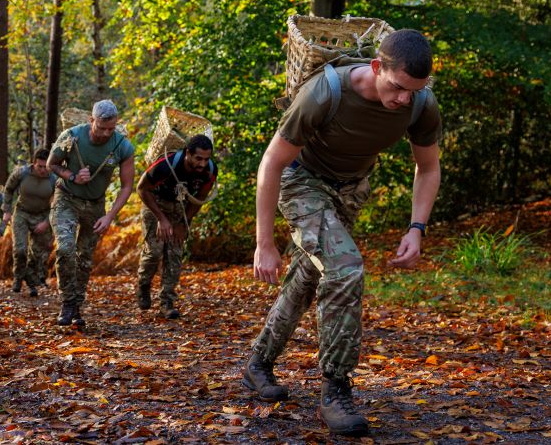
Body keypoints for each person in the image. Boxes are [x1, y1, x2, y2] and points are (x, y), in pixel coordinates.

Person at [245, 29, 442, 437]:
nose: (404, 99)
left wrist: (416, 228)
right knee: (346, 267)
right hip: (302, 182)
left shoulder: (421, 103)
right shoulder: (326, 91)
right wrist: (264, 243)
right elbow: (271, 163)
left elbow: (428, 167)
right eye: (398, 87)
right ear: (376, 68)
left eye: (415, 91)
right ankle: (335, 389)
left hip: (350, 190)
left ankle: (258, 364)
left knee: (309, 277)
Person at [48, 99, 135, 327]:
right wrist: (72, 176)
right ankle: (67, 303)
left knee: (84, 259)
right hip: (66, 198)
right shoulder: (72, 136)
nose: (106, 133)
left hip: (96, 205)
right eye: (101, 127)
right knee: (66, 249)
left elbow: (127, 186)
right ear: (91, 121)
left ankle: (77, 306)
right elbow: (52, 164)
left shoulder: (122, 146)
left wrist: (109, 216)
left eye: (111, 128)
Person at [136, 134, 217, 319]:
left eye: (206, 159)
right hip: (155, 204)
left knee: (174, 254)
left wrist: (184, 223)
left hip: (180, 208)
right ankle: (144, 283)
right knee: (154, 252)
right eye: (198, 158)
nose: (202, 164)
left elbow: (200, 199)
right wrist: (161, 219)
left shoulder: (210, 170)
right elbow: (142, 188)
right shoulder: (167, 164)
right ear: (188, 153)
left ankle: (167, 303)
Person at [2, 148, 56, 297]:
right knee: (20, 250)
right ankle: (18, 277)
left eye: (46, 166)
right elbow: (8, 189)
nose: (43, 170)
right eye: (40, 166)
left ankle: (31, 281)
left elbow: (59, 203)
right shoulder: (22, 173)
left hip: (42, 216)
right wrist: (6, 210)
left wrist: (46, 222)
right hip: (22, 213)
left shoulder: (54, 178)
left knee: (38, 255)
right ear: (34, 163)